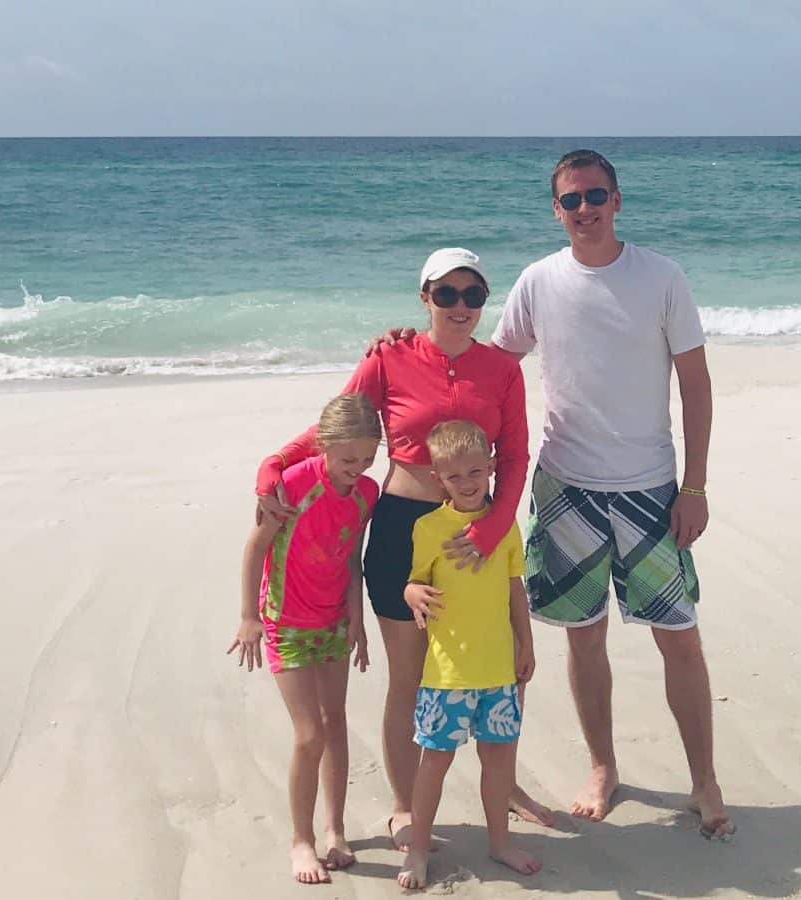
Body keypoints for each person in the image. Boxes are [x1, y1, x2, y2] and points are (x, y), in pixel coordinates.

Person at [253, 248, 553, 851]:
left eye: (473, 294)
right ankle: (401, 806)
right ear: (425, 298)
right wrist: (276, 463)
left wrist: (495, 526)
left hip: (475, 531)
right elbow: (336, 428)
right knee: (411, 678)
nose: (461, 306)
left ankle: (504, 785)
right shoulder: (389, 355)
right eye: (447, 294)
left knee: (497, 664)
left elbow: (517, 455)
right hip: (400, 529)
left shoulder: (501, 370)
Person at [493, 149, 732, 836]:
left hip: (650, 490)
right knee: (583, 637)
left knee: (680, 638)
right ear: (556, 209)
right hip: (566, 488)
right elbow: (496, 370)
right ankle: (603, 767)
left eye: (596, 196)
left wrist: (695, 486)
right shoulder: (538, 282)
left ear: (618, 201)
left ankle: (704, 782)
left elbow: (696, 383)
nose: (585, 209)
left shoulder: (660, 277)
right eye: (571, 200)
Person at [228, 393, 380, 884]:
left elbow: (353, 556)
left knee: (336, 723)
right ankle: (302, 840)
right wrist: (249, 616)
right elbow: (255, 548)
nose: (356, 469)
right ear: (322, 447)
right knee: (309, 732)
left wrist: (357, 619)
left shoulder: (368, 493)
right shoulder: (293, 485)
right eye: (346, 459)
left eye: (366, 460)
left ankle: (336, 832)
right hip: (286, 623)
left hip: (334, 620)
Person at [397, 420, 540, 889]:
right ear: (438, 478)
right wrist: (412, 593)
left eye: (476, 472)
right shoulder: (429, 527)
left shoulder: (504, 525)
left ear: (492, 468)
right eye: (455, 476)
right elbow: (415, 581)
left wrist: (526, 642)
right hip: (447, 674)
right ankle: (417, 850)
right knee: (434, 763)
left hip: (497, 670)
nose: (468, 483)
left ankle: (500, 842)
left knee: (498, 760)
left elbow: (514, 588)